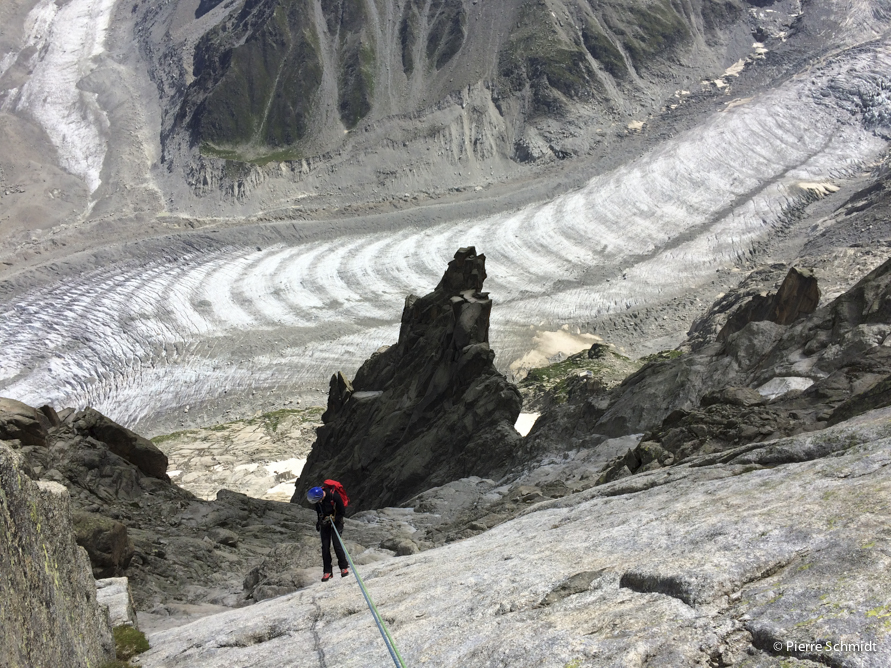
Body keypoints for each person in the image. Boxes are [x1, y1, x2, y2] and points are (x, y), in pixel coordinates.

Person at [307, 485, 350, 582]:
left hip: (337, 521)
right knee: (325, 547)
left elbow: (341, 512)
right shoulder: (318, 501)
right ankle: (327, 571)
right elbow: (319, 512)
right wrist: (319, 522)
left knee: (337, 544)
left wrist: (334, 520)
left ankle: (343, 567)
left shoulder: (334, 496)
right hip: (325, 521)